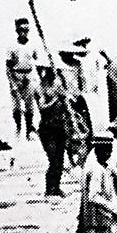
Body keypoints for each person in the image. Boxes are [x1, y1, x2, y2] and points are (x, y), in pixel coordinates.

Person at [36, 63, 71, 197]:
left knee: (60, 160)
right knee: (53, 159)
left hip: (60, 127)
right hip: (47, 128)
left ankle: (56, 187)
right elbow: (42, 107)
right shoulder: (40, 88)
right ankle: (49, 188)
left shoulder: (58, 83)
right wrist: (56, 99)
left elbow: (66, 105)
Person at [6, 18, 41, 140]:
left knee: (29, 105)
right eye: (21, 30)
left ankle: (29, 130)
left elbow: (38, 62)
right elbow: (8, 66)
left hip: (29, 76)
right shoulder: (12, 46)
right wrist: (13, 83)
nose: (23, 32)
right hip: (16, 75)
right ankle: (18, 129)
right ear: (16, 30)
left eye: (26, 30)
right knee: (16, 106)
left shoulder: (32, 45)